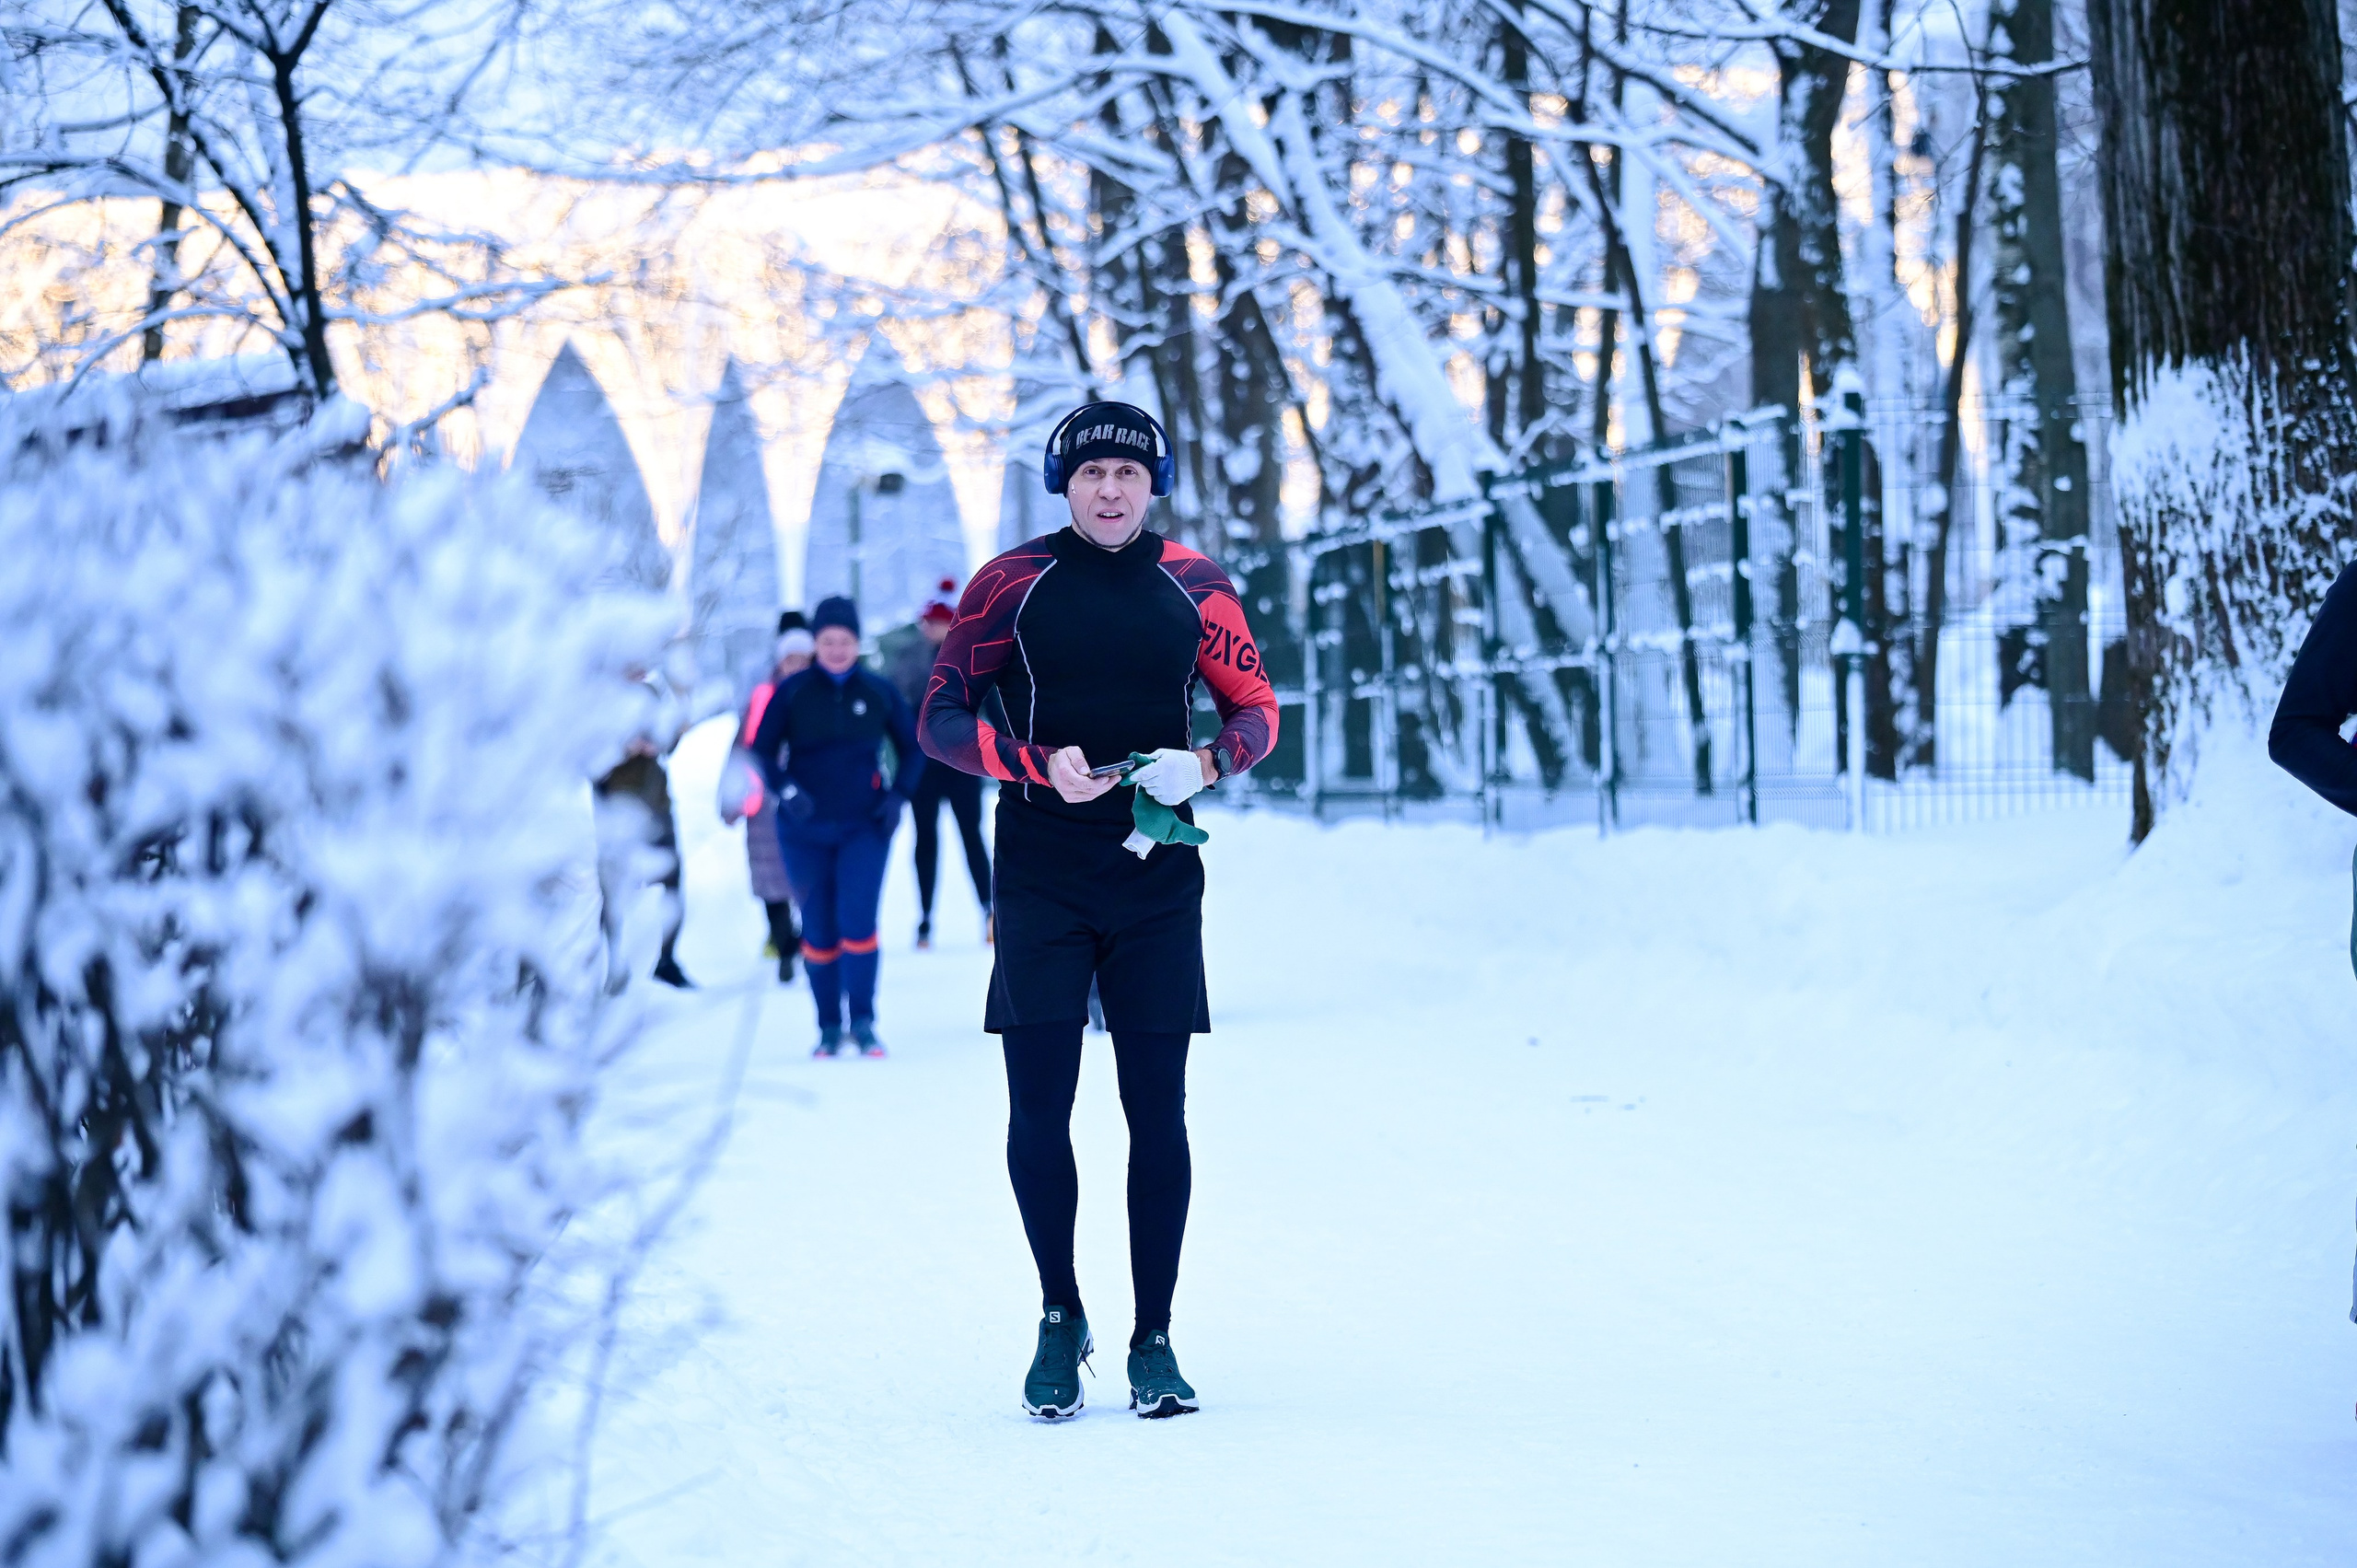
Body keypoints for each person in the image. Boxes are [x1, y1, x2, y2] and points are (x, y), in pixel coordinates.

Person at [918, 401, 1278, 1421]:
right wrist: (1034, 764)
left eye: (1127, 472)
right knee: (1039, 1105)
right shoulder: (1009, 584)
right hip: (1039, 866)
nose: (1109, 490)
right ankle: (1057, 1312)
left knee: (1155, 1108)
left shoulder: (1195, 583)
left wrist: (1202, 761)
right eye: (1090, 475)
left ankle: (1153, 1337)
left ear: (1152, 480)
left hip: (1154, 876)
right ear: (1062, 484)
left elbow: (1258, 711)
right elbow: (939, 717)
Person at [752, 595, 926, 1058]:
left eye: (844, 641)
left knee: (858, 923)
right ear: (815, 644)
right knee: (819, 930)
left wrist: (897, 798)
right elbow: (762, 752)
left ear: (857, 643)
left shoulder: (878, 691)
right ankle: (829, 1025)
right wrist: (787, 793)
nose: (836, 649)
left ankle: (864, 1021)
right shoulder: (793, 692)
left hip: (864, 829)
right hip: (802, 832)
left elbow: (915, 748)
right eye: (827, 641)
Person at [886, 579, 993, 947]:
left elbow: (989, 702)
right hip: (925, 765)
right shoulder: (910, 657)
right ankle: (926, 917)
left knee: (971, 836)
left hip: (962, 763)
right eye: (928, 622)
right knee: (926, 840)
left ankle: (988, 909)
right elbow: (898, 706)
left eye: (938, 622)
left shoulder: (969, 653)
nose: (931, 629)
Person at [721, 611, 813, 982]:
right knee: (769, 881)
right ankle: (784, 946)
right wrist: (729, 799)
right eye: (789, 658)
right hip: (765, 806)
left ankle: (810, 942)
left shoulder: (819, 695)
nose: (795, 665)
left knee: (808, 878)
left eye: (802, 658)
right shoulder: (762, 697)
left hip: (809, 800)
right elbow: (741, 750)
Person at [595, 668, 694, 992]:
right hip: (619, 812)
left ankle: (665, 959)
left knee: (671, 884)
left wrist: (667, 736)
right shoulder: (596, 700)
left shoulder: (652, 692)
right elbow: (587, 757)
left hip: (658, 805)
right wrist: (624, 747)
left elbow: (669, 741)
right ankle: (617, 967)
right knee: (618, 892)